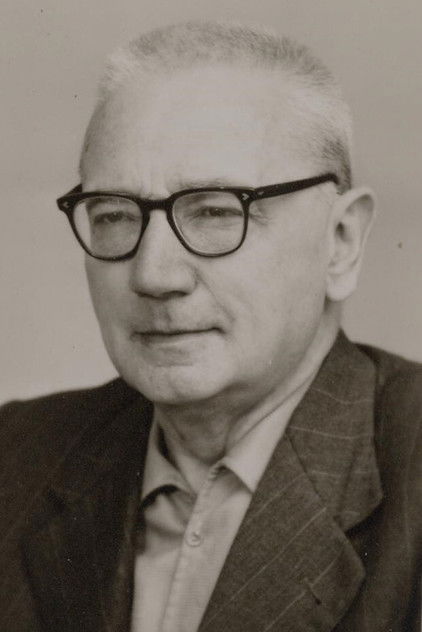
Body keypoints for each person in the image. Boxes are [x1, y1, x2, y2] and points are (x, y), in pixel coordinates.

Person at [1, 21, 420, 632]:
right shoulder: (14, 458)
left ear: (341, 241)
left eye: (217, 212)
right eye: (115, 216)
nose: (154, 274)